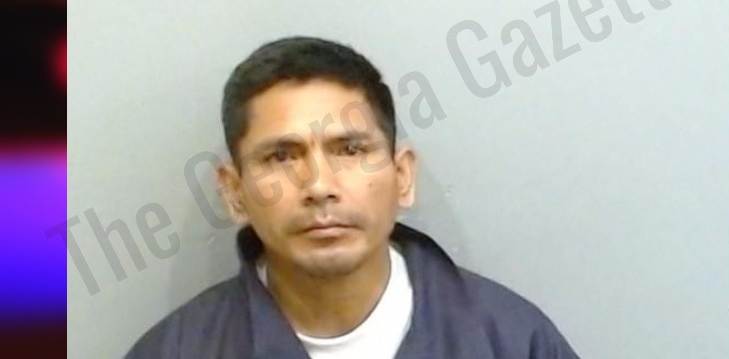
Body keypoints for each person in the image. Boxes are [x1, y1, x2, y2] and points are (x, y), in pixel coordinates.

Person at [126, 36, 579, 358]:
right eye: (281, 156)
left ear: (402, 176)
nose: (319, 185)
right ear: (234, 193)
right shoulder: (175, 351)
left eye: (350, 150)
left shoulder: (511, 341)